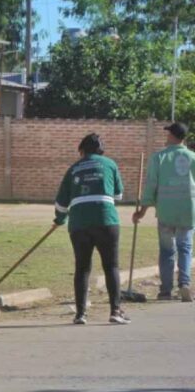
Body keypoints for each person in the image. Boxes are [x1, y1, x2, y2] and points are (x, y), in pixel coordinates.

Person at [54, 133, 129, 325]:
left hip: (79, 224)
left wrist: (60, 219)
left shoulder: (74, 168)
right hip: (106, 220)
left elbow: (62, 202)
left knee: (82, 268)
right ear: (100, 150)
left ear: (82, 150)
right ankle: (115, 311)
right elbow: (119, 195)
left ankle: (80, 314)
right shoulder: (110, 164)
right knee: (111, 266)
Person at [133, 122, 195, 302]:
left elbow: (151, 185)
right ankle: (184, 284)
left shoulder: (158, 157)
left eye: (168, 134)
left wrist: (142, 211)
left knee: (167, 251)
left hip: (166, 211)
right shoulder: (192, 157)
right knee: (185, 248)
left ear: (172, 136)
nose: (166, 137)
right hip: (187, 211)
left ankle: (166, 290)